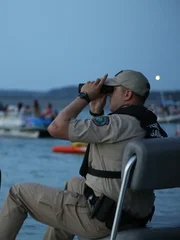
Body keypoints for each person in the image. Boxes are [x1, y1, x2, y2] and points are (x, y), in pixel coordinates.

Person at [0, 70, 167, 240]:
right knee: (73, 184)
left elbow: (56, 128)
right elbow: (109, 146)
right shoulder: (149, 124)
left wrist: (85, 96)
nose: (108, 95)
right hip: (134, 213)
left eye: (112, 90)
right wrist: (95, 113)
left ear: (127, 94)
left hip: (104, 219)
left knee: (17, 193)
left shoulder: (119, 123)